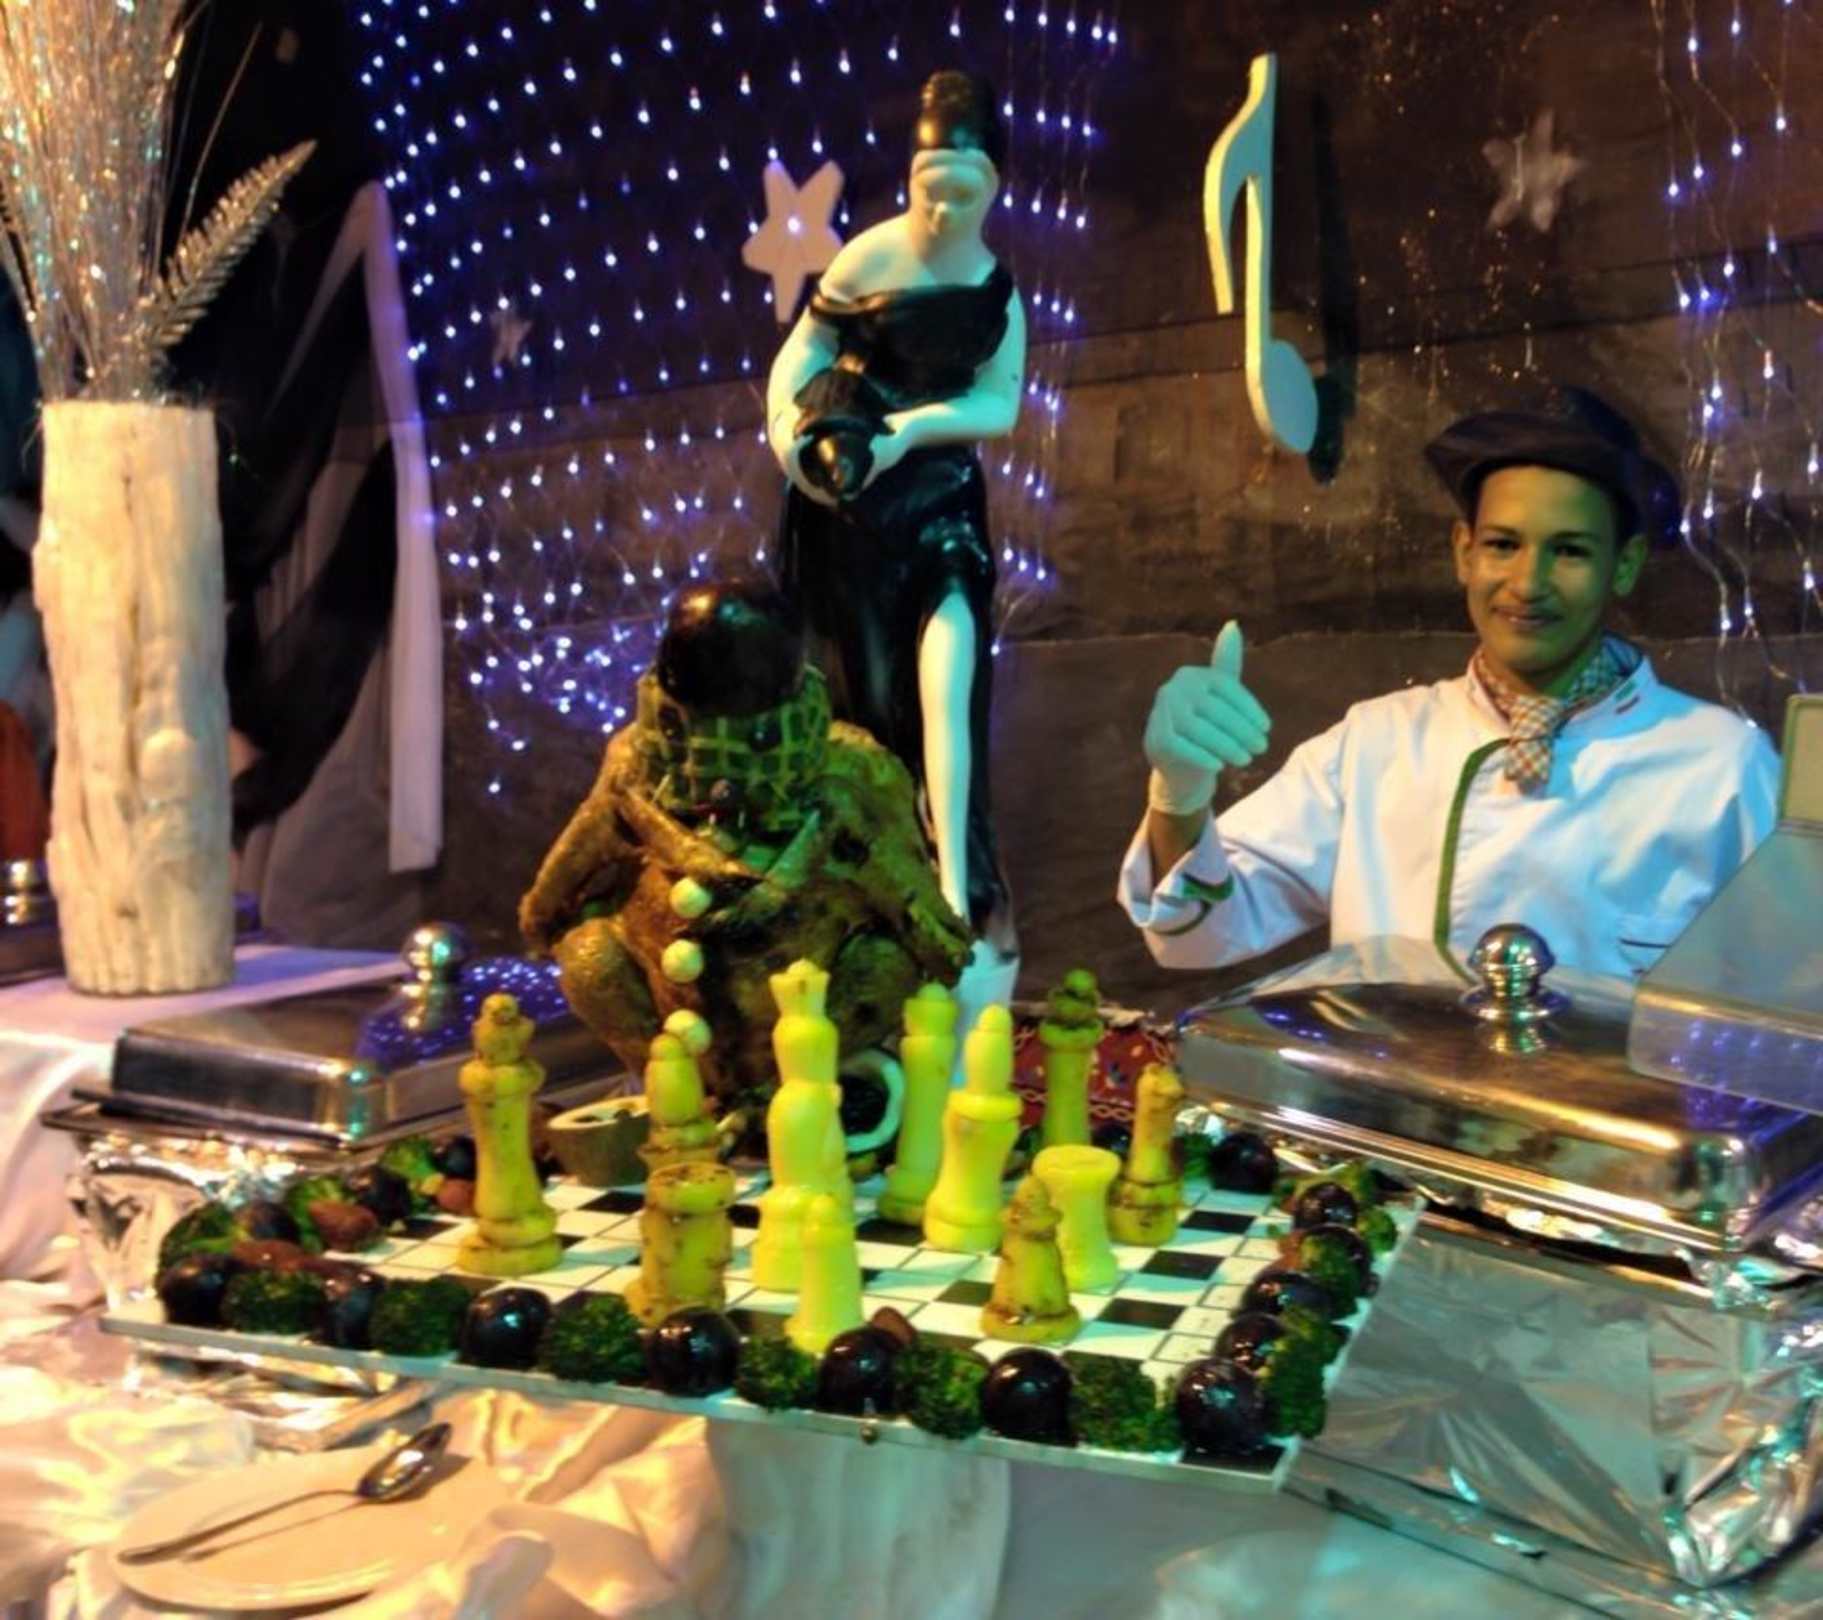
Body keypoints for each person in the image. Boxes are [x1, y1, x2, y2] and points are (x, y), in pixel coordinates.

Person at [1119, 385, 1781, 981]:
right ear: (1463, 552)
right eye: (1502, 545)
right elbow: (1199, 932)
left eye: (1570, 550)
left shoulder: (1722, 765)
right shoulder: (1375, 742)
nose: (1528, 583)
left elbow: (1787, 1001)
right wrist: (1180, 793)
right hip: (1386, 1084)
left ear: (1624, 565)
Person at [767, 68, 1025, 1008]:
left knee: (951, 690)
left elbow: (998, 406)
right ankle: (877, 893)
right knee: (870, 703)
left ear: (992, 187)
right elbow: (800, 355)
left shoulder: (995, 292)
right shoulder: (866, 260)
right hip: (854, 509)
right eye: (927, 187)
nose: (942, 208)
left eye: (963, 190)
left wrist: (911, 430)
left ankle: (961, 890)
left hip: (940, 502)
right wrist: (792, 438)